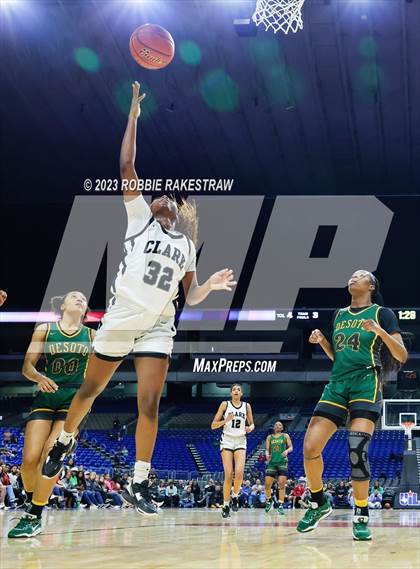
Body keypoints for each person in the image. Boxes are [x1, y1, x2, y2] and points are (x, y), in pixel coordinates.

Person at [42, 81, 236, 517]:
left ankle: (140, 480)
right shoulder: (138, 221)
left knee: (149, 402)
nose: (161, 195)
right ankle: (65, 442)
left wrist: (212, 286)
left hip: (158, 323)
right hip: (124, 315)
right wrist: (133, 114)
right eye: (156, 195)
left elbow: (192, 296)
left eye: (167, 196)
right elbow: (126, 163)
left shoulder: (186, 246)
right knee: (91, 388)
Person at [296, 270, 407, 541]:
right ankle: (319, 501)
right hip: (337, 383)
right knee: (310, 447)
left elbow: (401, 354)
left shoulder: (383, 313)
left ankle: (361, 513)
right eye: (352, 275)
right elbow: (340, 358)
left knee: (357, 448)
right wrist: (323, 342)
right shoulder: (339, 315)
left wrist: (380, 331)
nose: (352, 278)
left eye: (360, 276)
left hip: (366, 383)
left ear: (370, 286)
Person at [8, 291, 92, 539]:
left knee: (49, 454)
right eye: (74, 296)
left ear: (85, 310)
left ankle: (34, 516)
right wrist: (39, 378)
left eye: (83, 298)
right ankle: (32, 499)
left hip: (74, 399)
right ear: (63, 305)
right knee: (29, 460)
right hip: (46, 395)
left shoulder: (92, 336)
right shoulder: (45, 329)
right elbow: (27, 366)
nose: (79, 299)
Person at [211, 384, 255, 518]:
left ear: (241, 393)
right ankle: (225, 505)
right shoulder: (225, 404)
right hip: (227, 440)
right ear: (231, 393)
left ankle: (235, 496)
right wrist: (226, 420)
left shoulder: (246, 406)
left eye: (238, 389)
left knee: (240, 473)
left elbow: (252, 423)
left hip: (241, 440)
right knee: (229, 474)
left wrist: (250, 428)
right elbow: (213, 425)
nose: (236, 391)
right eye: (234, 389)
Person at [264, 421, 293, 515]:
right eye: (276, 424)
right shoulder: (269, 437)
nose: (277, 425)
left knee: (281, 485)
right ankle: (269, 501)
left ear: (282, 428)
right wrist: (267, 454)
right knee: (267, 485)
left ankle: (280, 505)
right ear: (274, 427)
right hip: (272, 462)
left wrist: (287, 451)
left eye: (279, 424)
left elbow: (291, 447)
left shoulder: (285, 436)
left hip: (282, 462)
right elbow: (267, 450)